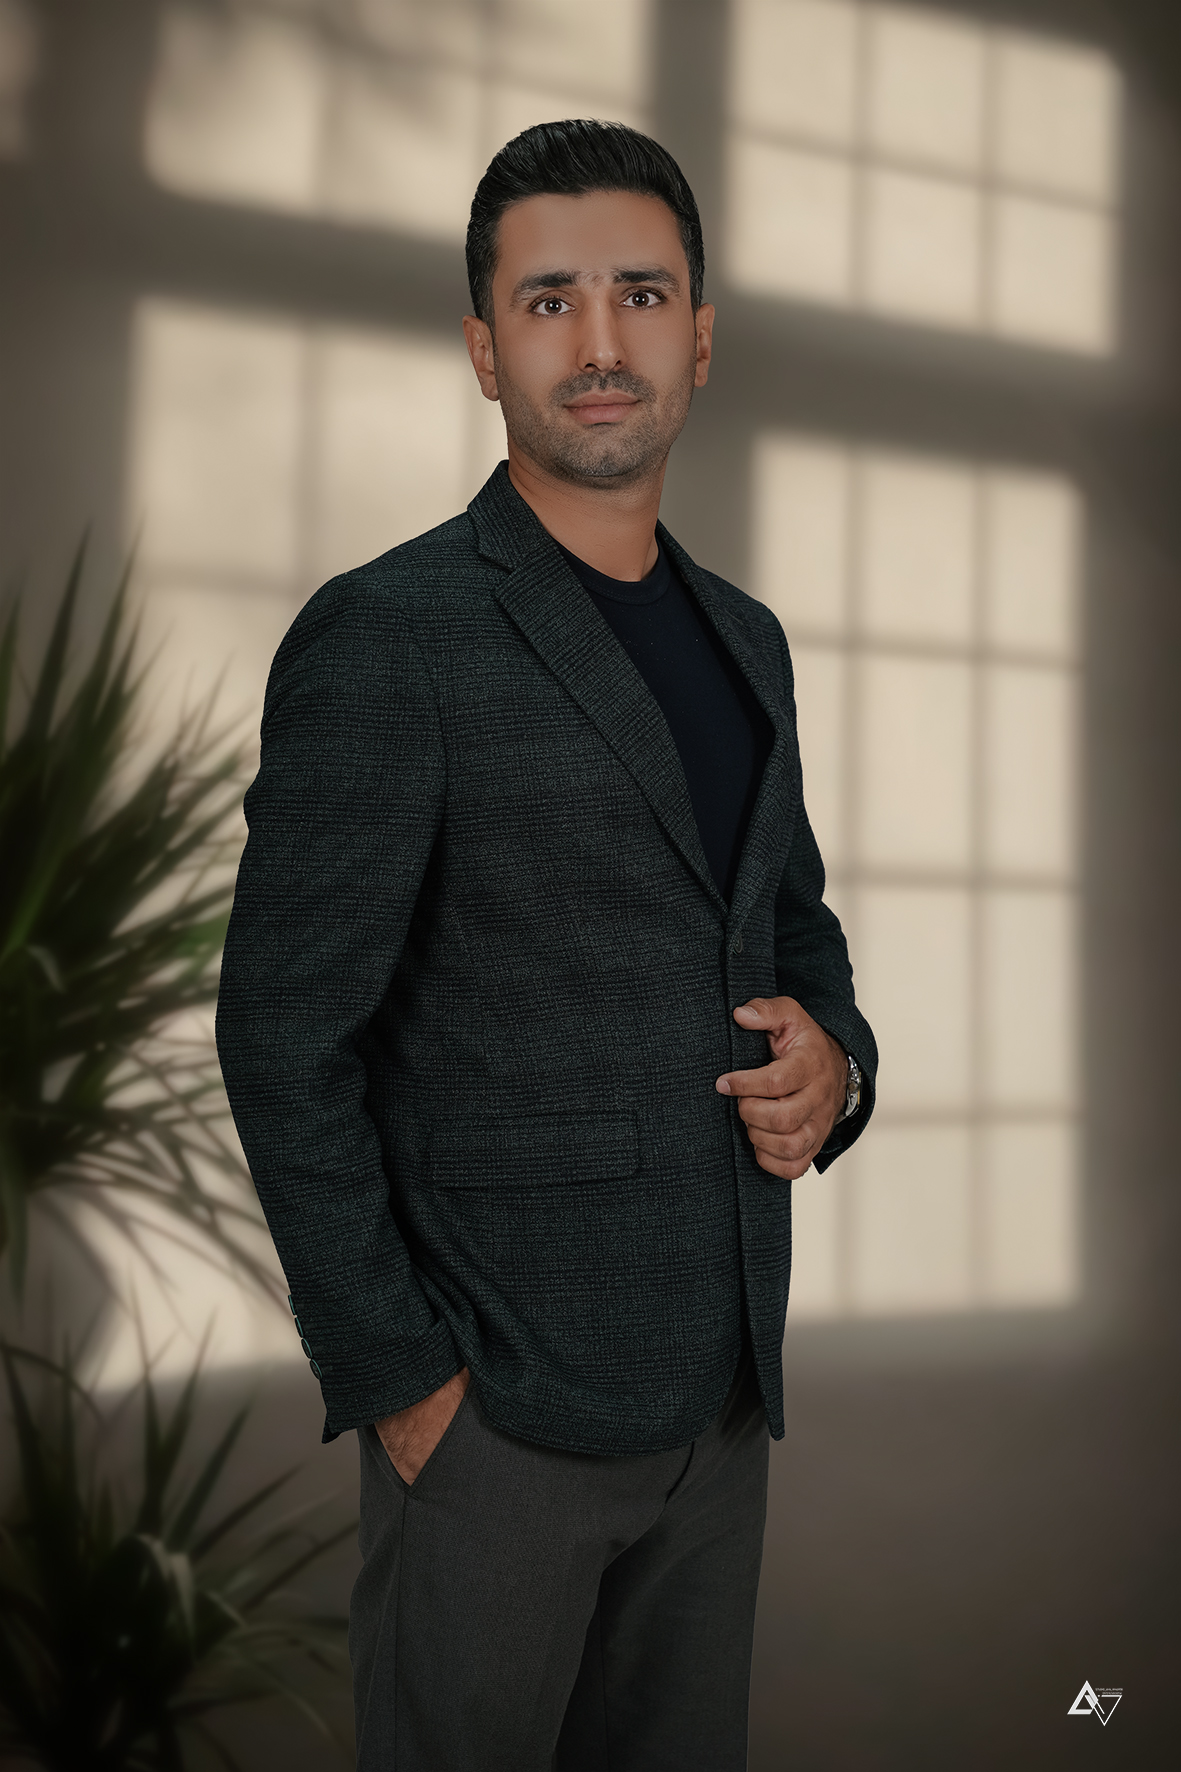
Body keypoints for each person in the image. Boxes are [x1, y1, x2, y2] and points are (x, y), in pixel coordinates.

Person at [215, 119, 876, 1772]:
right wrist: (405, 1389)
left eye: (639, 294)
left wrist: (838, 1065)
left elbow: (790, 924)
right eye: (548, 300)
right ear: (481, 348)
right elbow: (281, 1036)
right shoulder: (388, 636)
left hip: (723, 1402)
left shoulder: (747, 640)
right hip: (494, 1420)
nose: (598, 341)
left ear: (698, 338)